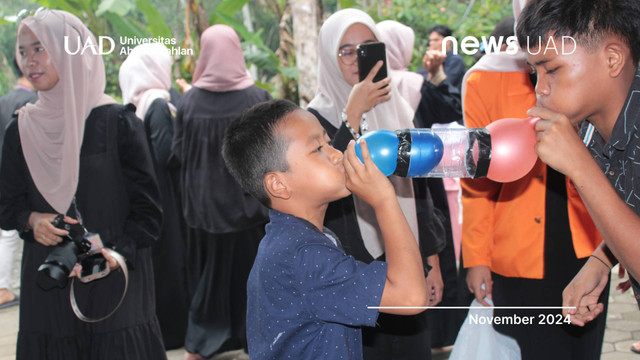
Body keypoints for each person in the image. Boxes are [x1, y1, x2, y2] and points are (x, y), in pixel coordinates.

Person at [0, 9, 166, 359]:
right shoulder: (20, 130)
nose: (30, 60)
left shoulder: (117, 123)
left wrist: (109, 249)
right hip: (49, 287)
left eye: (40, 48)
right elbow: (7, 205)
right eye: (24, 51)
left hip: (114, 284)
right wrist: (32, 221)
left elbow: (149, 216)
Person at [222, 99, 429, 359]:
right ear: (278, 184)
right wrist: (384, 199)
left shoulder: (298, 239)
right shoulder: (303, 255)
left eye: (329, 142)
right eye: (318, 148)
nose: (337, 154)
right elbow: (411, 296)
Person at [461, 12, 607, 359]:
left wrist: (615, 248)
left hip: (586, 244)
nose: (542, 84)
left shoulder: (586, 58)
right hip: (518, 251)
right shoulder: (483, 79)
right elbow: (476, 179)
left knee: (584, 348)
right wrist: (476, 257)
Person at [307, 9, 446, 360]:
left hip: (405, 255)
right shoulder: (313, 120)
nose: (357, 59)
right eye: (346, 50)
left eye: (367, 47)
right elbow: (326, 185)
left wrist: (431, 263)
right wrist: (350, 116)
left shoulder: (397, 108)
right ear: (328, 56)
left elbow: (419, 193)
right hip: (352, 264)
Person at [517, 0, 640, 334]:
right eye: (534, 72)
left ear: (612, 59)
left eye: (552, 69)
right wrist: (603, 258)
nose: (539, 88)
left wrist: (580, 167)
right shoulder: (589, 129)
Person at [172, 24, 271, 360]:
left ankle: (199, 346)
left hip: (204, 212)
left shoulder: (189, 101)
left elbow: (178, 154)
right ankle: (257, 341)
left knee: (207, 281)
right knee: (254, 282)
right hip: (248, 210)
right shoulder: (257, 99)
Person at [377, 19, 466, 351]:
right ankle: (442, 335)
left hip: (380, 186)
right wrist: (437, 75)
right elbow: (451, 110)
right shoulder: (417, 84)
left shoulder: (363, 89)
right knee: (435, 249)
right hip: (426, 182)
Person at [119, 42, 190, 350]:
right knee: (173, 261)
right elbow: (165, 154)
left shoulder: (135, 103)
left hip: (148, 194)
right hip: (166, 194)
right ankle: (175, 331)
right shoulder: (159, 104)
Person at [0, 58, 37, 309]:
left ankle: (3, 285)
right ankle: (3, 288)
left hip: (4, 170)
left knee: (6, 234)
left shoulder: (4, 100)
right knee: (13, 235)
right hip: (22, 176)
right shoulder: (32, 101)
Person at [418, 24, 467, 91]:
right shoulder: (432, 59)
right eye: (431, 40)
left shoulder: (455, 60)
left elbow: (444, 84)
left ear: (447, 42)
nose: (431, 43)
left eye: (436, 40)